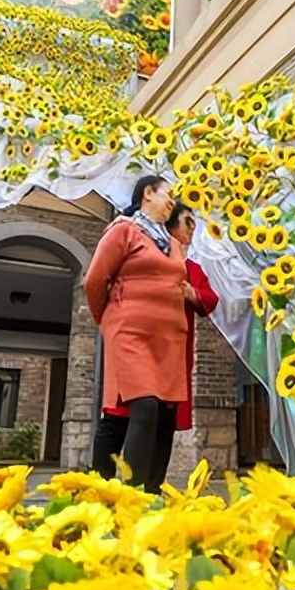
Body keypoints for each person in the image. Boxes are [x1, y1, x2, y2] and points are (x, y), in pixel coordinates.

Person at [92, 203, 219, 486]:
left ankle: (150, 489)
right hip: (134, 347)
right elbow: (100, 281)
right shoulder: (136, 253)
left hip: (172, 353)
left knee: (163, 419)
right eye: (187, 222)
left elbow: (209, 299)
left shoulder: (191, 268)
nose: (191, 230)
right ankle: (99, 485)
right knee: (119, 417)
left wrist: (191, 293)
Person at [84, 176, 188, 490]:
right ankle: (131, 496)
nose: (172, 200)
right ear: (147, 193)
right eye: (168, 194)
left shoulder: (171, 242)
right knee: (144, 406)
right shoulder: (124, 229)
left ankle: (153, 492)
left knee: (166, 414)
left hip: (169, 339)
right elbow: (94, 280)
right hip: (131, 333)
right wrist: (108, 319)